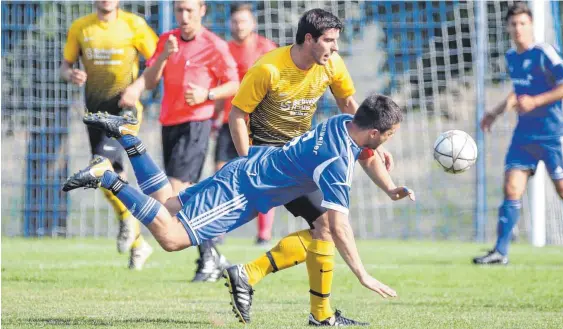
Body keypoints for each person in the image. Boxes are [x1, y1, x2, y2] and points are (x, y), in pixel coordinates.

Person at [63, 94, 414, 326]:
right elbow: (340, 227)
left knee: (166, 203)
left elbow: (366, 152)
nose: (390, 140)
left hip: (243, 173)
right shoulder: (337, 161)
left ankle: (130, 140)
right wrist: (362, 275)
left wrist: (389, 186)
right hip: (240, 192)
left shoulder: (343, 122)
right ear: (374, 132)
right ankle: (107, 177)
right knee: (170, 237)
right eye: (390, 134)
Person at [227, 8, 393, 325]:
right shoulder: (269, 69)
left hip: (302, 158)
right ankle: (312, 311)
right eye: (329, 41)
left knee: (325, 230)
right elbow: (238, 114)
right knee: (328, 227)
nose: (335, 48)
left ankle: (252, 276)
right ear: (308, 39)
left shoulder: (331, 65)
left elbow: (348, 106)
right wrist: (248, 160)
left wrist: (373, 141)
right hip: (271, 160)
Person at [473, 2, 563, 265]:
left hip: (553, 134)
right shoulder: (512, 57)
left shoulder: (545, 53)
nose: (518, 28)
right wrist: (495, 112)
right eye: (513, 24)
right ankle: (500, 251)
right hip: (525, 136)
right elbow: (519, 91)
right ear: (507, 27)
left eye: (523, 23)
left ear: (531, 25)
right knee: (511, 187)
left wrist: (536, 101)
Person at [140, 0, 239, 281]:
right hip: (168, 123)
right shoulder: (166, 40)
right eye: (179, 10)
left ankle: (210, 256)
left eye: (189, 11)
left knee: (174, 193)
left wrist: (207, 95)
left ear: (202, 11)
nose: (184, 16)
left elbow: (235, 84)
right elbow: (148, 82)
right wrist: (163, 57)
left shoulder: (214, 45)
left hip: (196, 124)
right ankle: (212, 256)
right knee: (184, 196)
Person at [60, 0, 158, 269]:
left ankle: (129, 221)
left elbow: (158, 60)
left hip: (124, 113)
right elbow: (65, 66)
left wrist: (137, 87)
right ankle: (138, 243)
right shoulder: (81, 27)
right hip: (95, 114)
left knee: (101, 168)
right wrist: (72, 75)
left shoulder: (134, 25)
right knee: (110, 176)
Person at [213, 3, 277, 246]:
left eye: (244, 21)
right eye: (235, 21)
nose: (239, 25)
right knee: (221, 174)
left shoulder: (266, 49)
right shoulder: (225, 50)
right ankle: (217, 228)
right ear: (230, 24)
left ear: (253, 23)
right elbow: (222, 86)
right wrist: (215, 117)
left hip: (258, 124)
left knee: (262, 176)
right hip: (230, 122)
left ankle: (264, 234)